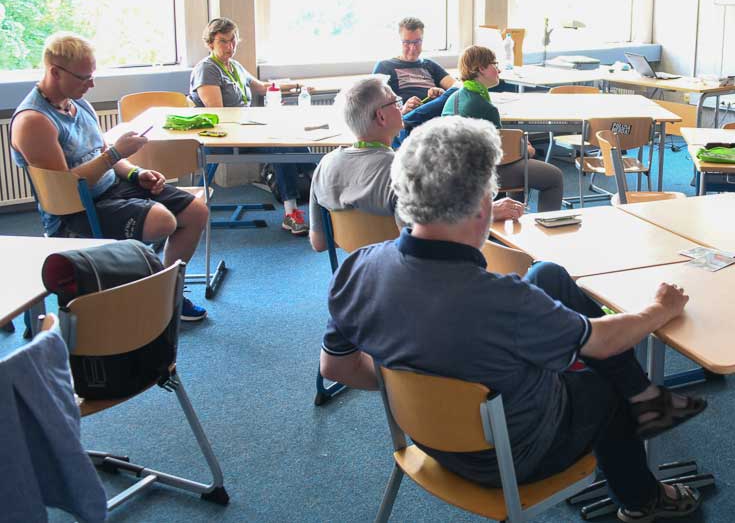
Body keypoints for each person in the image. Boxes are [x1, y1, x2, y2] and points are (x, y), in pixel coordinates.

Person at [320, 117, 706, 521]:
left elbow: (336, 366)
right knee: (605, 384)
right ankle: (642, 499)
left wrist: (419, 393)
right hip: (511, 456)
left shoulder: (357, 268)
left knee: (547, 275)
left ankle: (644, 403)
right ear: (485, 204)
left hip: (428, 442)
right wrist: (658, 310)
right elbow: (604, 342)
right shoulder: (502, 300)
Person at [11, 33, 210, 321]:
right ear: (54, 72)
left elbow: (102, 153)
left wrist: (136, 172)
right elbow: (66, 190)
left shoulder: (78, 104)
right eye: (84, 78)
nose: (91, 85)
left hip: (111, 189)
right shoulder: (33, 122)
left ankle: (169, 294)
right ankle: (153, 293)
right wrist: (115, 155)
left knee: (195, 212)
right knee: (163, 221)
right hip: (73, 212)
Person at [308, 77, 525, 253]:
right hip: (407, 277)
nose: (401, 106)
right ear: (381, 117)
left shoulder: (324, 165)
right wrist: (488, 211)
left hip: (362, 278)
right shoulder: (404, 170)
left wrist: (363, 239)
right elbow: (428, 240)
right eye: (395, 102)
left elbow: (319, 242)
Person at [188, 17, 312, 235]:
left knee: (296, 141)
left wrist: (297, 85)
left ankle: (322, 195)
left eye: (233, 41)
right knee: (281, 148)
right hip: (224, 138)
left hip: (246, 132)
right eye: (223, 42)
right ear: (210, 44)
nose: (230, 47)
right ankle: (291, 213)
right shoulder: (207, 70)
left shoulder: (234, 66)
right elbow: (219, 112)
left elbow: (263, 88)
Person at [443, 45, 565, 212]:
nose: (499, 70)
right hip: (477, 173)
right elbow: (504, 153)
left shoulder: (454, 97)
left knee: (521, 162)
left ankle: (513, 219)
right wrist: (525, 149)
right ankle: (546, 229)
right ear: (481, 69)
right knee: (553, 177)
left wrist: (518, 146)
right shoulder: (484, 106)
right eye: (494, 64)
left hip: (450, 169)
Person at [372, 17, 456, 103]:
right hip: (407, 114)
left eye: (417, 42)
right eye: (407, 42)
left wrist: (442, 93)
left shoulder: (430, 65)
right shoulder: (385, 66)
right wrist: (402, 110)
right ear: (399, 41)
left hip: (438, 111)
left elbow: (456, 87)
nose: (412, 48)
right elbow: (375, 105)